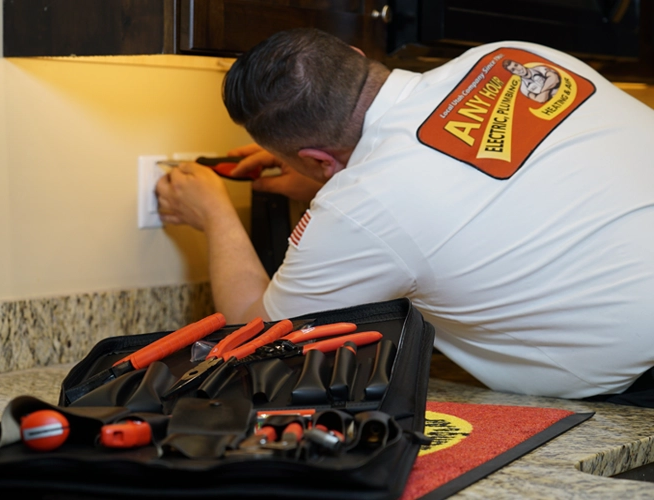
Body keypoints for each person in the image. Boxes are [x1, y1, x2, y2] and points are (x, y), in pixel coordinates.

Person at [155, 28, 654, 404]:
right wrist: (335, 178)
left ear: (317, 159)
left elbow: (259, 339)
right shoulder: (508, 56)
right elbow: (492, 174)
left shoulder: (359, 207)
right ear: (354, 56)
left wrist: (214, 212)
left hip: (636, 397)